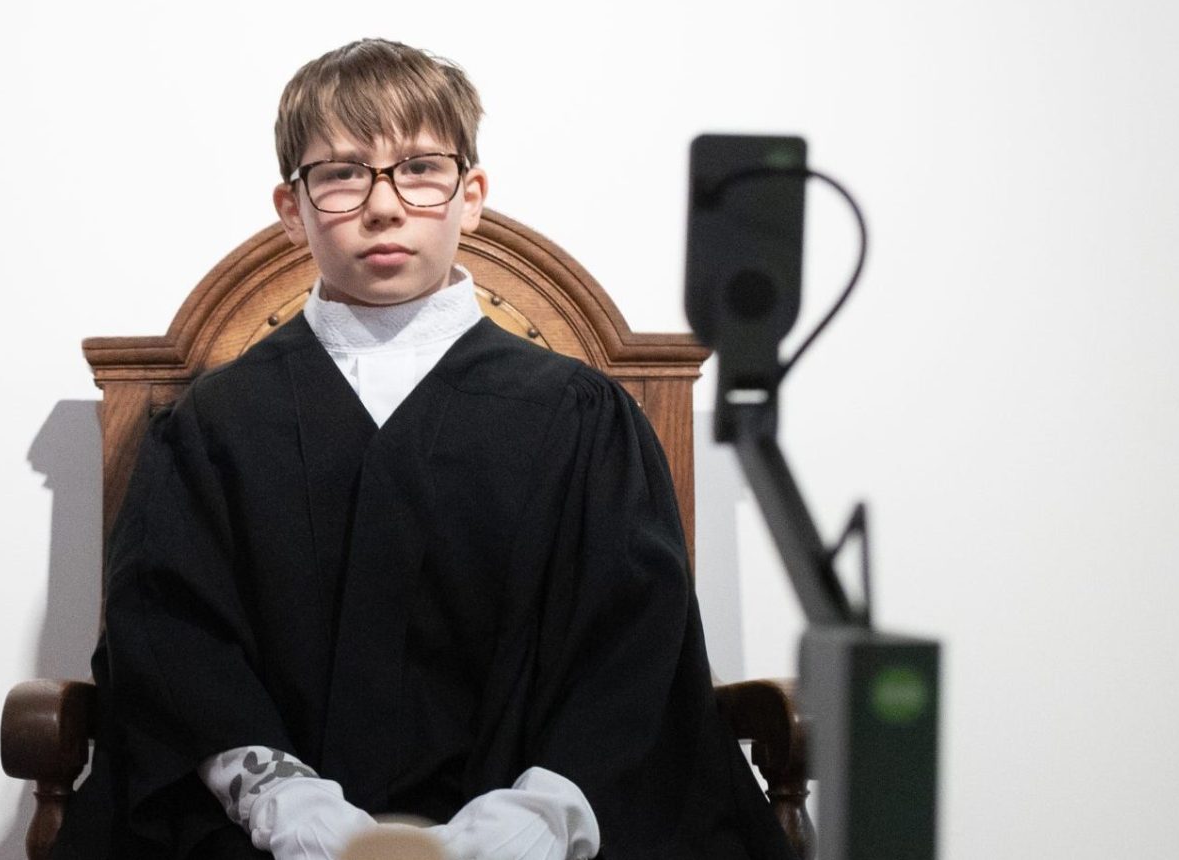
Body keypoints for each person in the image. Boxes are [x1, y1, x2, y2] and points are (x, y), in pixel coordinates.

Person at [53, 38, 796, 860]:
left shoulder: (583, 419)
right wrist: (286, 806)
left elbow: (632, 649)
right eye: (339, 173)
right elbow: (171, 639)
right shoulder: (215, 428)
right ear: (291, 209)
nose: (382, 204)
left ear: (470, 196)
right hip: (265, 840)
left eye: (419, 168)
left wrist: (533, 821)